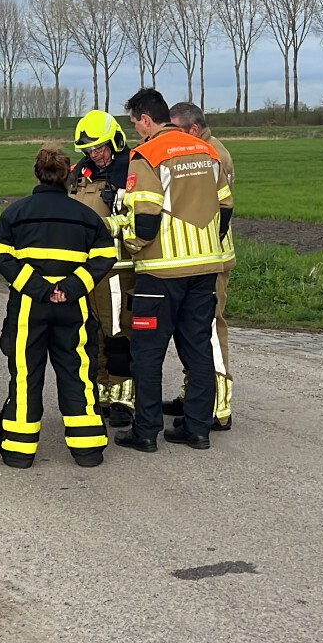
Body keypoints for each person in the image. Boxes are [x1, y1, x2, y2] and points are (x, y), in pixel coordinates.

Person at [110, 88, 233, 453]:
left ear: (146, 120)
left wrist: (128, 243)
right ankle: (197, 429)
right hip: (205, 267)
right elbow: (225, 209)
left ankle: (146, 431)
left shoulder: (147, 155)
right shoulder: (208, 151)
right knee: (197, 348)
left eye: (135, 125)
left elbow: (144, 221)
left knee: (147, 353)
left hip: (160, 274)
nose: (137, 133)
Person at [0, 145, 121, 468]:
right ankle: (87, 449)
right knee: (78, 375)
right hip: (73, 307)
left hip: (28, 307)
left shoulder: (15, 213)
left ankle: (19, 451)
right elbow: (106, 256)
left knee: (25, 376)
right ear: (67, 175)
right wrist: (69, 288)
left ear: (38, 173)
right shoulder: (87, 215)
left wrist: (40, 289)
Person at [166, 101, 236, 430]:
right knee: (191, 332)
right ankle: (193, 393)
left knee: (209, 329)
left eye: (175, 130)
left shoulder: (211, 154)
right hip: (204, 255)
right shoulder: (206, 149)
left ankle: (218, 405)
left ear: (193, 129)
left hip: (212, 257)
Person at [66, 110, 136, 428]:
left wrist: (102, 224)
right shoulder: (79, 172)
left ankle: (123, 397)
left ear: (115, 141)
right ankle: (101, 392)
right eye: (90, 150)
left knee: (118, 331)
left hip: (117, 269)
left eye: (100, 148)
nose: (96, 154)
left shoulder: (132, 169)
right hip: (84, 269)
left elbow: (141, 219)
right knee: (91, 333)